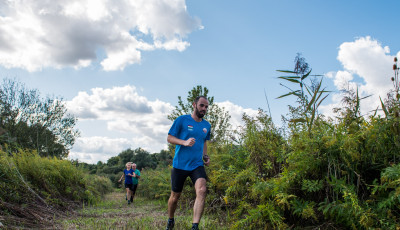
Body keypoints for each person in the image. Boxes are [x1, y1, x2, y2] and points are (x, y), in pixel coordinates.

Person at [165, 96, 211, 230]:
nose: (204, 109)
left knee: (202, 190)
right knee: (174, 197)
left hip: (197, 164)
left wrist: (205, 156)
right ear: (194, 105)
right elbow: (169, 138)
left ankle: (195, 226)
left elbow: (204, 142)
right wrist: (183, 142)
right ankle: (170, 219)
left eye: (206, 107)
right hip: (180, 165)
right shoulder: (182, 120)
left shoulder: (206, 125)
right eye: (202, 105)